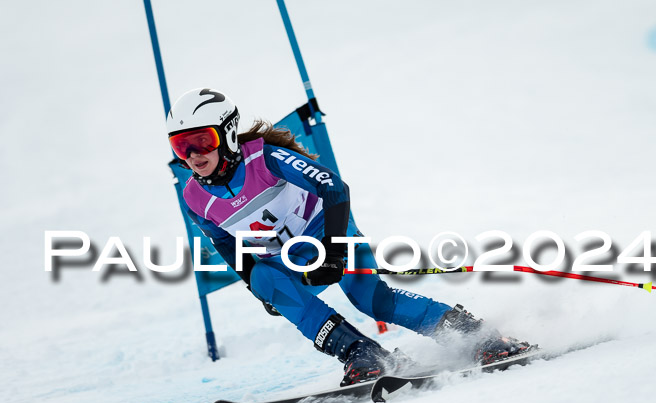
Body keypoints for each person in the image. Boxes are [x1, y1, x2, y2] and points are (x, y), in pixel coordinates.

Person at [166, 88, 531, 386]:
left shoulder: (264, 159)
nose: (195, 155)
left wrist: (335, 251)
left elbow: (335, 188)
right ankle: (364, 354)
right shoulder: (195, 197)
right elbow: (227, 245)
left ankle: (476, 335)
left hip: (329, 233)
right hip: (286, 260)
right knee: (264, 280)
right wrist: (257, 286)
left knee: (370, 299)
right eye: (182, 147)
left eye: (202, 140)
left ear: (227, 133)